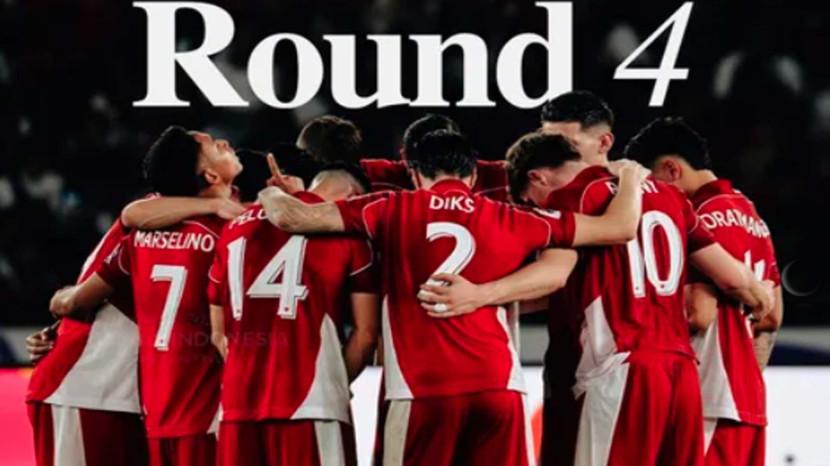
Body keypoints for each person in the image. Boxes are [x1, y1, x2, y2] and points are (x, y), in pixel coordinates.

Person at [258, 129, 649, 466]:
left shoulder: (390, 207)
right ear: (473, 175)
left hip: (421, 390)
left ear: (415, 174)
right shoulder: (510, 216)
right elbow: (618, 227)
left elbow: (294, 218)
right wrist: (630, 178)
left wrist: (271, 193)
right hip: (499, 387)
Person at [421, 131, 774, 466]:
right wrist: (761, 298)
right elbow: (732, 276)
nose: (536, 208)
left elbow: (554, 275)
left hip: (621, 364)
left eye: (529, 200)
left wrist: (481, 296)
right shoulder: (672, 197)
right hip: (681, 373)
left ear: (538, 178)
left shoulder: (570, 198)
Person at [48, 125, 242, 466]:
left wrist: (59, 311)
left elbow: (82, 295)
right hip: (200, 409)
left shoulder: (143, 232)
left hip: (155, 411)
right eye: (214, 145)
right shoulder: (229, 234)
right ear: (211, 176)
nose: (225, 142)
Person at [625, 117, 783, 466]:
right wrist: (746, 379)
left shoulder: (695, 215)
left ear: (671, 170)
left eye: (651, 183)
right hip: (748, 399)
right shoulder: (750, 212)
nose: (649, 196)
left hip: (707, 393)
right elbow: (772, 317)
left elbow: (700, 312)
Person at [208, 162, 379, 466]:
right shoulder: (348, 234)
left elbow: (218, 334)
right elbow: (366, 336)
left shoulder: (233, 228)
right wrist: (335, 383)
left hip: (237, 406)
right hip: (311, 403)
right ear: (353, 197)